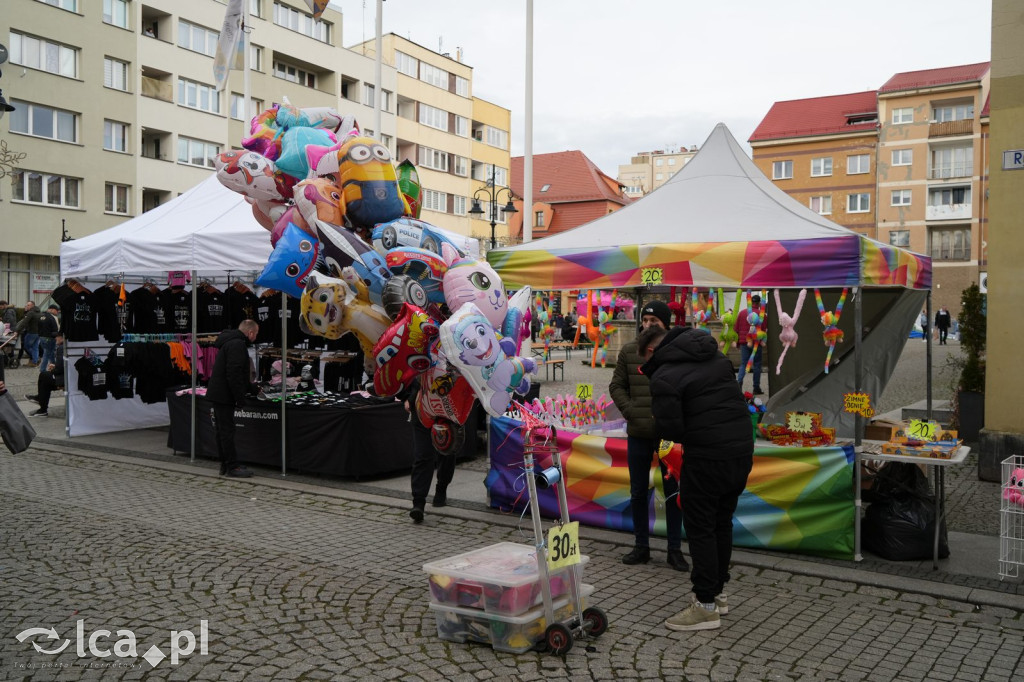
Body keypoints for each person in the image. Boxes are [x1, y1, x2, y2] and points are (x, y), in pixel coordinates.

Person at [639, 324, 754, 632]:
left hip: (707, 457)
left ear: (654, 351)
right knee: (721, 522)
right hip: (741, 451)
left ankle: (704, 605)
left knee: (702, 527)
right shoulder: (717, 359)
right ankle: (718, 593)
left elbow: (670, 430)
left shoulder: (665, 376)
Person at [609, 299, 689, 572]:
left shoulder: (677, 352)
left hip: (669, 435)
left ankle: (674, 550)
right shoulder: (630, 351)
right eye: (645, 320)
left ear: (666, 325)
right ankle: (641, 546)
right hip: (639, 432)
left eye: (654, 322)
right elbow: (616, 385)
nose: (648, 325)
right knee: (637, 491)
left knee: (673, 492)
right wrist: (631, 411)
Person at [206, 319, 260, 478]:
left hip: (220, 393)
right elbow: (234, 373)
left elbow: (237, 373)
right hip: (224, 395)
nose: (256, 337)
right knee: (226, 431)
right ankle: (231, 466)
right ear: (250, 333)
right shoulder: (237, 345)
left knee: (222, 430)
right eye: (256, 334)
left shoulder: (230, 342)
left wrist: (251, 388)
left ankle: (226, 463)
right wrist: (240, 398)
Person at [404, 378, 455, 524]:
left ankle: (441, 488)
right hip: (421, 408)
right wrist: (408, 398)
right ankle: (418, 503)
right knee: (423, 455)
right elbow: (409, 373)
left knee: (447, 451)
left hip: (448, 407)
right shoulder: (420, 355)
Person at [26, 334, 65, 417]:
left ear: (62, 338)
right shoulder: (64, 347)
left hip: (65, 379)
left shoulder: (62, 348)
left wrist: (53, 369)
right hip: (67, 376)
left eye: (57, 336)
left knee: (44, 376)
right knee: (44, 378)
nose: (55, 338)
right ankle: (41, 403)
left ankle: (42, 405)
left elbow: (60, 369)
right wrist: (55, 367)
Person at [734, 294, 765, 395]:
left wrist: (738, 341)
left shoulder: (742, 313)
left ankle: (739, 383)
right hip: (757, 343)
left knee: (743, 364)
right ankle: (756, 388)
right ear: (759, 303)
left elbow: (736, 328)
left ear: (751, 302)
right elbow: (764, 330)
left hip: (744, 342)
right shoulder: (762, 314)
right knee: (757, 365)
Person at [14, 301, 41, 367]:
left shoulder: (31, 313)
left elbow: (24, 322)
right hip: (39, 333)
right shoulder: (40, 312)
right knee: (35, 347)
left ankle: (36, 358)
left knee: (26, 346)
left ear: (32, 306)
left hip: (31, 332)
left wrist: (17, 331)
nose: (27, 306)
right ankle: (34, 362)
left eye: (28, 305)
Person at [37, 303, 61, 374]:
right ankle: (43, 369)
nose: (57, 313)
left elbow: (38, 327)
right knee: (47, 354)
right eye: (57, 311)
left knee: (51, 353)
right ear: (52, 310)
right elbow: (55, 329)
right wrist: (57, 335)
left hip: (41, 337)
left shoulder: (41, 316)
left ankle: (53, 365)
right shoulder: (52, 317)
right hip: (49, 338)